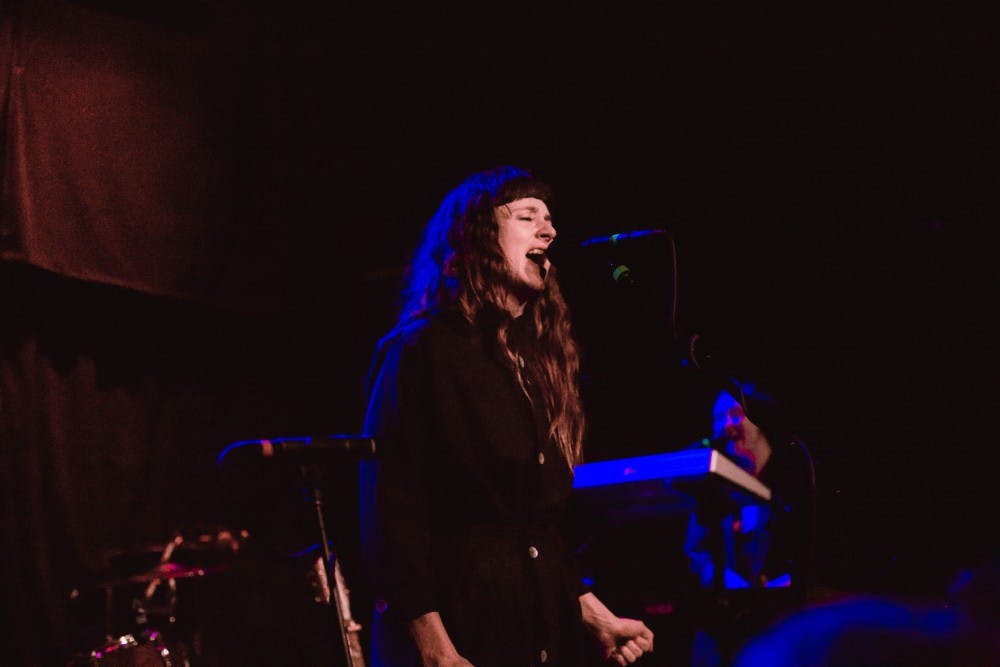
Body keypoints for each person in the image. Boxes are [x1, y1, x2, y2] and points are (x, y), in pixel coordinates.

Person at [360, 166, 654, 666]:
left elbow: (535, 536)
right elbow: (391, 513)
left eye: (550, 220)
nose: (549, 231)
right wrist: (436, 651)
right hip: (459, 629)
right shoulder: (421, 352)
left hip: (534, 631)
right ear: (476, 235)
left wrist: (598, 618)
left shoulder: (536, 364)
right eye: (527, 216)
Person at [682, 380, 814, 665]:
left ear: (759, 420)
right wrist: (724, 580)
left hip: (783, 619)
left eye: (732, 414)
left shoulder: (794, 479)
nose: (724, 426)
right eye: (717, 419)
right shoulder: (715, 488)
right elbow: (696, 551)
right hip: (727, 622)